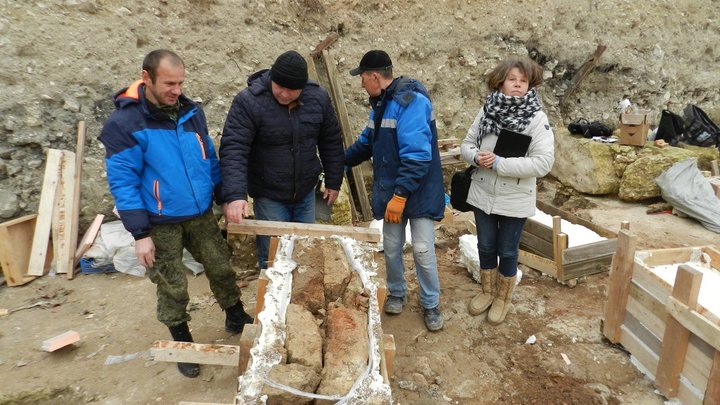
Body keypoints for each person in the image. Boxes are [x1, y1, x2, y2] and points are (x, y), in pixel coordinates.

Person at [99, 49, 253, 378]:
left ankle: (235, 314)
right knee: (173, 286)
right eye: (169, 83)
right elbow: (123, 183)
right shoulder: (124, 123)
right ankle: (183, 343)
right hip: (160, 222)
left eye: (181, 82)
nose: (176, 90)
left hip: (199, 213)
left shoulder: (191, 112)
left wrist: (224, 196)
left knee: (221, 266)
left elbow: (208, 158)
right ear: (146, 78)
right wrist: (140, 235)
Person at [344, 50, 445, 332]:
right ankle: (397, 292)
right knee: (391, 247)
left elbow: (417, 157)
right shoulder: (380, 104)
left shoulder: (410, 102)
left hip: (419, 190)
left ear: (375, 76)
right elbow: (366, 143)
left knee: (423, 250)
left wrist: (400, 196)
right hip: (392, 189)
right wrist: (340, 162)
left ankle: (431, 303)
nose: (361, 83)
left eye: (363, 77)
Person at [220, 50, 344, 269]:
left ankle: (300, 302)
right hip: (269, 195)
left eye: (292, 90)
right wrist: (235, 195)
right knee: (274, 259)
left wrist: (334, 180)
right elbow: (234, 149)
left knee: (306, 254)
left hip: (305, 192)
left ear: (303, 87)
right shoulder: (249, 102)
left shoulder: (318, 98)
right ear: (272, 79)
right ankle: (272, 298)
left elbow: (331, 140)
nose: (285, 94)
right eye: (280, 87)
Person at [460, 56, 555, 325]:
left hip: (514, 197)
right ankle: (487, 292)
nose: (517, 85)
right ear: (501, 82)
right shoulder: (488, 110)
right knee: (486, 245)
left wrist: (501, 163)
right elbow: (466, 144)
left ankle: (503, 298)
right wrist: (477, 157)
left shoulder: (536, 118)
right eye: (512, 79)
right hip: (482, 193)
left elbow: (544, 162)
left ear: (530, 84)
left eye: (523, 81)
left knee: (508, 250)